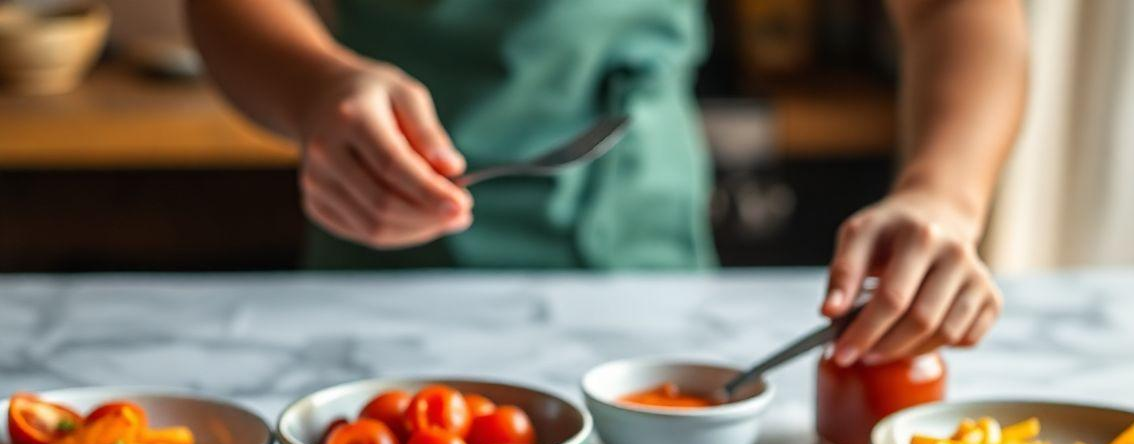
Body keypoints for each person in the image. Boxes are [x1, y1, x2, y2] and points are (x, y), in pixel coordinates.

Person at [187, 0, 1026, 366]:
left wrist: (943, 197)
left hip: (641, 255)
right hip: (378, 257)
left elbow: (959, 8)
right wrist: (317, 91)